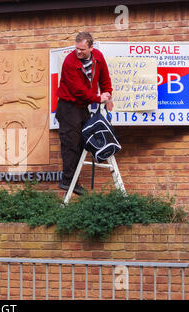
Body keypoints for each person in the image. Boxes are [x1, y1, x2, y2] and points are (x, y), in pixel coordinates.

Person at [55, 31, 114, 195]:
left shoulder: (98, 57)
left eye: (82, 49)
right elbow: (78, 91)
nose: (78, 52)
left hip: (81, 107)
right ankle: (68, 181)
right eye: (77, 49)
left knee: (83, 142)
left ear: (91, 47)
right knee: (70, 143)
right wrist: (97, 98)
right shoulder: (69, 62)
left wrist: (108, 96)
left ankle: (73, 181)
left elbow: (105, 78)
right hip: (68, 107)